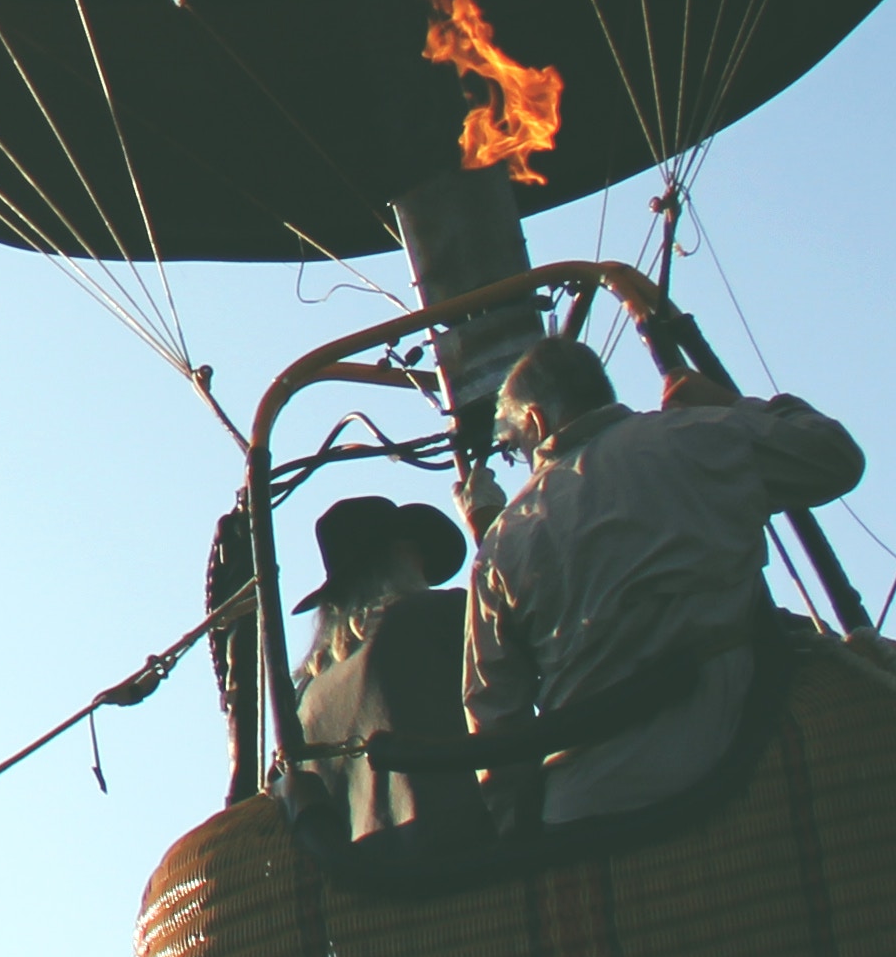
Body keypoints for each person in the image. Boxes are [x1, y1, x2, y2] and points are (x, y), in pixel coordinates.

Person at [464, 336, 865, 825]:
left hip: (590, 805)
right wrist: (732, 404)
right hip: (745, 764)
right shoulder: (701, 435)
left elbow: (494, 717)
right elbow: (836, 458)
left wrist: (514, 834)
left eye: (511, 448)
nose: (518, 458)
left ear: (536, 422)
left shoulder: (504, 540)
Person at [291, 494, 478, 842]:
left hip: (365, 880)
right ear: (400, 554)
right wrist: (491, 529)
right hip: (467, 856)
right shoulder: (440, 616)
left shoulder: (306, 693)